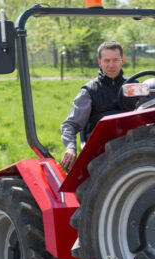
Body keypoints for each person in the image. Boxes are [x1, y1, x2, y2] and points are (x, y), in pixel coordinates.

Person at [60, 41, 135, 169]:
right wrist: (71, 147)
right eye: (107, 61)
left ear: (122, 60)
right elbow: (70, 125)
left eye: (115, 60)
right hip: (101, 151)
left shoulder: (134, 87)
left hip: (132, 146)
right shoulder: (89, 91)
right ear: (99, 62)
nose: (111, 65)